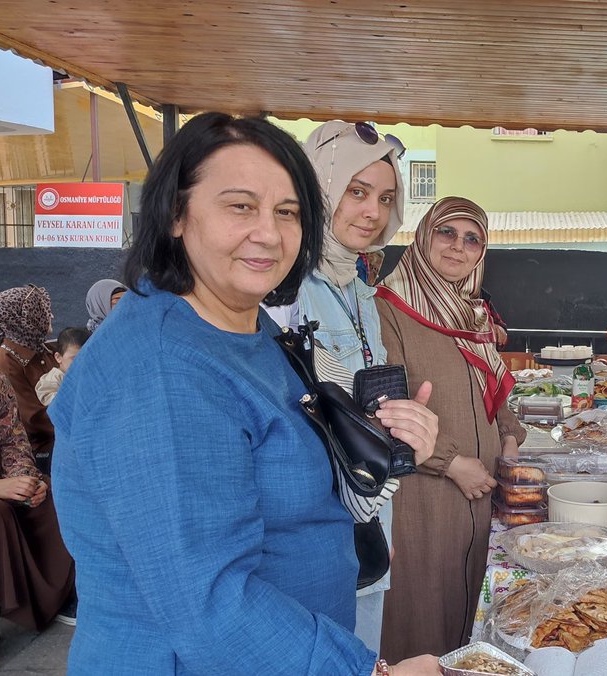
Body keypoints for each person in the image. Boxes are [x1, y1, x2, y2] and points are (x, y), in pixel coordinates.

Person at [48, 112, 439, 675]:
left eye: (287, 212)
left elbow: (282, 478)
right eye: (240, 206)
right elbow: (209, 601)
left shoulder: (248, 329)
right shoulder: (160, 369)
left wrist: (376, 448)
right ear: (176, 214)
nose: (269, 233)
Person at [265, 120, 431, 654]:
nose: (373, 212)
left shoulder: (361, 292)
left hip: (367, 512)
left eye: (385, 198)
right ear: (319, 190)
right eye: (356, 192)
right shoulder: (282, 290)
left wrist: (402, 431)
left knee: (364, 651)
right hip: (311, 533)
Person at [375, 196, 527, 660]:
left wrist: (508, 437)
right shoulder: (388, 307)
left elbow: (493, 388)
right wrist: (452, 463)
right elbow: (384, 407)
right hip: (424, 495)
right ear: (424, 236)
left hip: (480, 494)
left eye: (472, 239)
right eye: (447, 232)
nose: (459, 246)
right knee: (421, 617)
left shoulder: (471, 312)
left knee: (470, 618)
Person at [0, 365, 75, 632]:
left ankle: (61, 597)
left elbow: (13, 441)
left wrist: (25, 480)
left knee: (50, 494)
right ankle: (2, 606)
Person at [0, 286, 56, 471]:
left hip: (60, 434)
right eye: (42, 311)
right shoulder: (3, 364)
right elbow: (34, 420)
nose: (51, 316)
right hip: (38, 451)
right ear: (24, 320)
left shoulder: (40, 349)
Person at [36, 327, 91, 406]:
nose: (81, 362)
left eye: (86, 357)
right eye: (74, 358)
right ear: (58, 357)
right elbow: (48, 398)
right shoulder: (53, 379)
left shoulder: (89, 373)